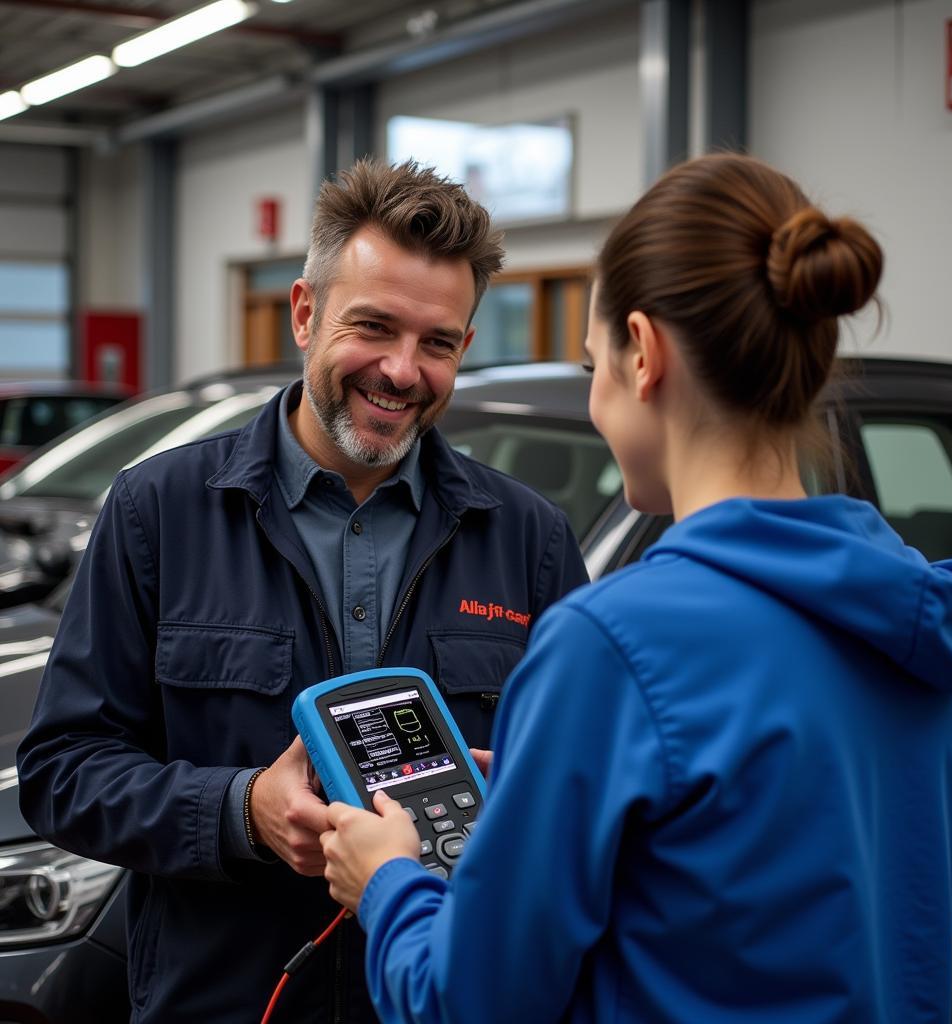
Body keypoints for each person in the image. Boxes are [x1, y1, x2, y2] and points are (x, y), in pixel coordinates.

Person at [318, 153, 952, 1023]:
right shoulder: (932, 624)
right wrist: (556, 775)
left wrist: (387, 882)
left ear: (642, 355)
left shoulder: (614, 649)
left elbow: (467, 999)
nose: (599, 401)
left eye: (590, 367)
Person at [16, 159, 589, 1024]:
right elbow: (63, 774)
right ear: (305, 312)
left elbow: (572, 800)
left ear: (465, 348)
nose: (402, 370)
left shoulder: (529, 538)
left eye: (437, 343)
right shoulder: (160, 512)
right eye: (374, 327)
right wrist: (240, 811)